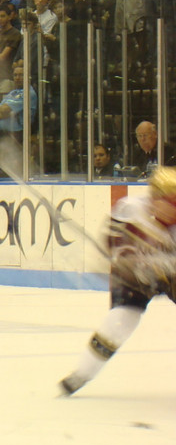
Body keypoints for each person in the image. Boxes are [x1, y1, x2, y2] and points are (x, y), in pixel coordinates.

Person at [59, 167, 176, 396]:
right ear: (154, 197)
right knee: (121, 319)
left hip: (170, 275)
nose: (172, 210)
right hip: (136, 277)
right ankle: (82, 373)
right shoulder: (130, 210)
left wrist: (163, 265)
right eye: (169, 202)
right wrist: (130, 263)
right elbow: (113, 244)